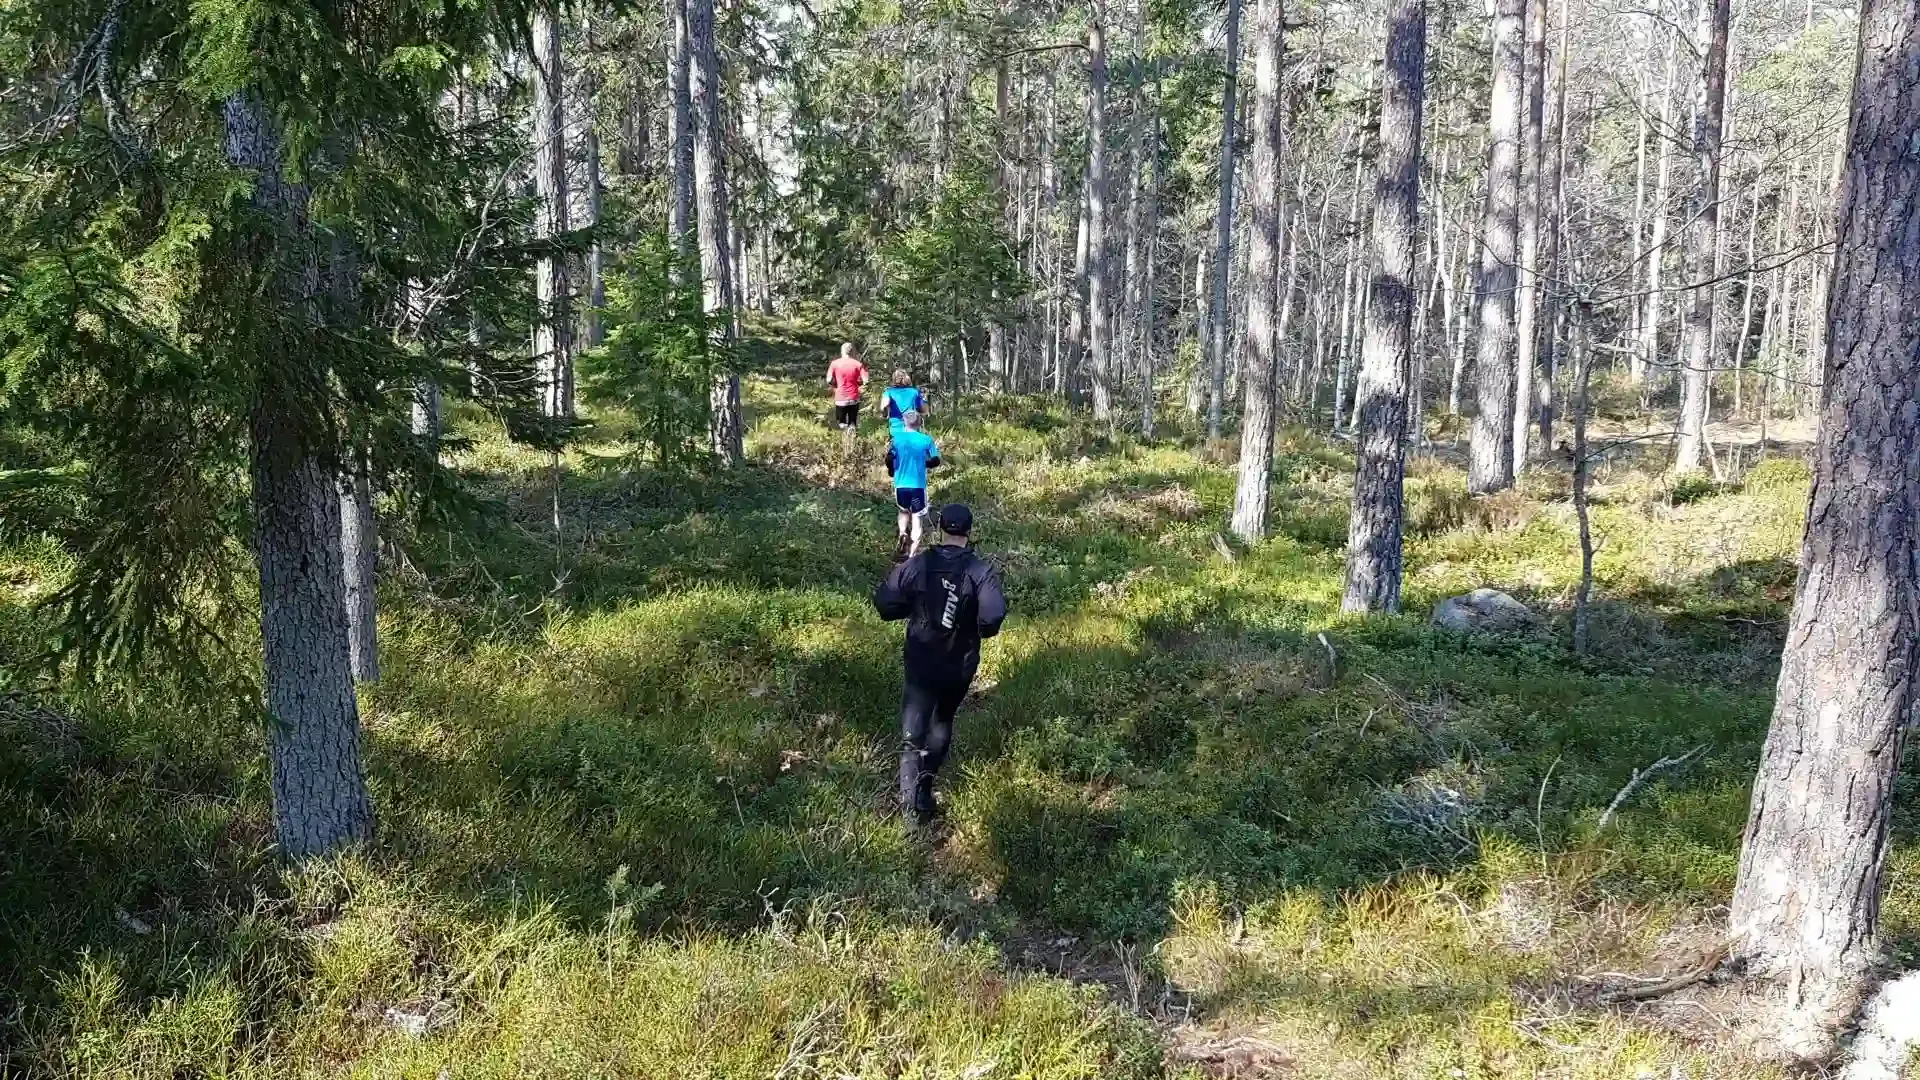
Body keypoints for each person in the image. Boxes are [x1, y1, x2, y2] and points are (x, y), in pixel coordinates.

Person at [872, 503, 1006, 827]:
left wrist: (911, 608)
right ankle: (924, 793)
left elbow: (884, 601)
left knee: (912, 731)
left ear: (941, 528)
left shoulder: (920, 564)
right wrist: (974, 626)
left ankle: (908, 813)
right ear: (969, 532)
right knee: (942, 721)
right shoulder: (980, 571)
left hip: (920, 661)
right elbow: (992, 617)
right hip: (958, 666)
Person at [888, 410, 940, 559]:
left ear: (904, 421)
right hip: (918, 485)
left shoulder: (896, 439)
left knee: (903, 510)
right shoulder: (926, 440)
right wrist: (926, 464)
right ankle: (911, 555)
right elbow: (936, 460)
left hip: (901, 485)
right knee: (917, 518)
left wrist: (892, 470)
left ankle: (903, 532)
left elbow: (889, 458)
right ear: (919, 422)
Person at [880, 369, 925, 478]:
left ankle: (892, 458)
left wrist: (885, 411)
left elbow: (883, 406)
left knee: (896, 446)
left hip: (895, 427)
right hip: (912, 425)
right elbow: (922, 409)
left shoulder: (888, 392)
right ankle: (911, 473)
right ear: (907, 378)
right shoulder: (914, 392)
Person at [826, 342, 868, 453]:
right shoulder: (858, 364)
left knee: (842, 424)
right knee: (853, 422)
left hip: (840, 398)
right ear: (852, 351)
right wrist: (858, 386)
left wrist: (835, 386)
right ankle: (853, 446)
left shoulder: (834, 364)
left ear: (842, 351)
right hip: (854, 397)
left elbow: (828, 379)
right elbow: (866, 381)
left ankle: (845, 448)